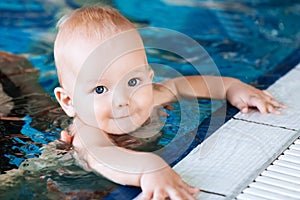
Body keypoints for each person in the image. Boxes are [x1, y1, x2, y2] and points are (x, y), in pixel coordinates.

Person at [53, 6, 285, 200]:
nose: (122, 100)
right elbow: (103, 156)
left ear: (149, 76)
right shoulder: (86, 131)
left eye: (133, 81)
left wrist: (231, 87)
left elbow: (180, 86)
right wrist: (148, 168)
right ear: (69, 101)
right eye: (100, 89)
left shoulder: (149, 96)